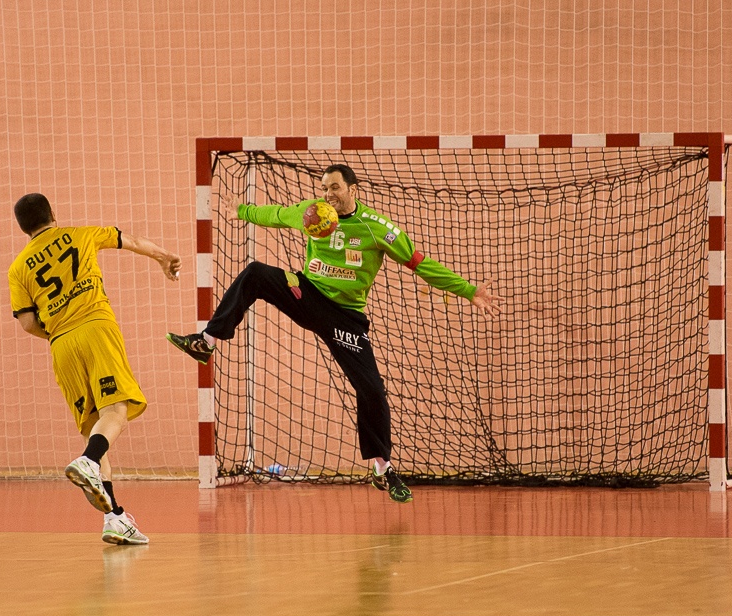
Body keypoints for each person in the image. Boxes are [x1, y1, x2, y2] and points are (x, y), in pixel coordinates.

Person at [167, 164, 502, 503]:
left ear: (353, 190)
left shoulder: (378, 229)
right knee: (255, 273)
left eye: (335, 187)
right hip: (307, 295)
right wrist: (242, 210)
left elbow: (421, 264)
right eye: (324, 187)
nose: (328, 194)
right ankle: (206, 341)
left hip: (346, 317)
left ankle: (382, 469)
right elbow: (277, 214)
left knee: (371, 389)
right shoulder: (311, 213)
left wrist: (469, 291)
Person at [8, 193, 181, 544]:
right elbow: (129, 240)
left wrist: (60, 330)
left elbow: (27, 323)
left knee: (95, 428)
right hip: (95, 326)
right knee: (116, 409)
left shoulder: (18, 268)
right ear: (52, 213)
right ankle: (89, 461)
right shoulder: (81, 234)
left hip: (61, 345)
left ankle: (115, 518)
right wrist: (165, 257)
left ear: (23, 228)